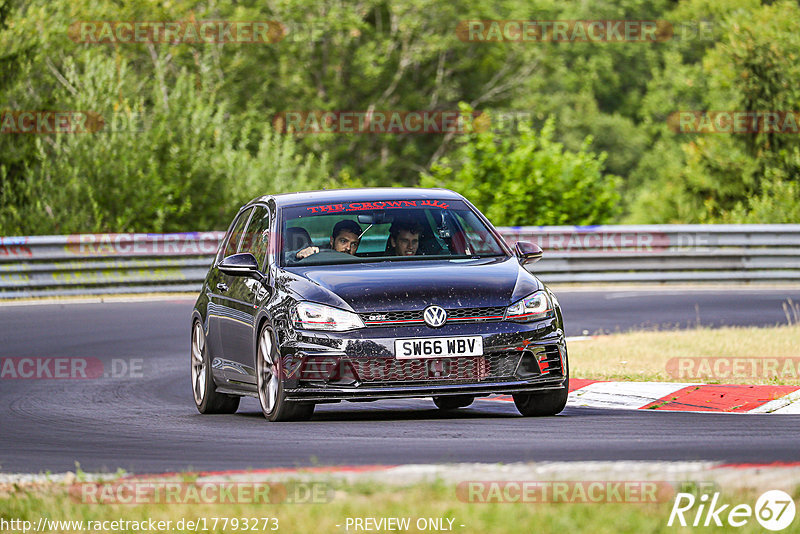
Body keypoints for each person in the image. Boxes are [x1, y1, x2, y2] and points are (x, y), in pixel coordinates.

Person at [295, 219, 361, 260]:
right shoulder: (316, 255)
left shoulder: (362, 265)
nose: (348, 248)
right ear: (332, 241)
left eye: (354, 244)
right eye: (343, 241)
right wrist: (299, 254)